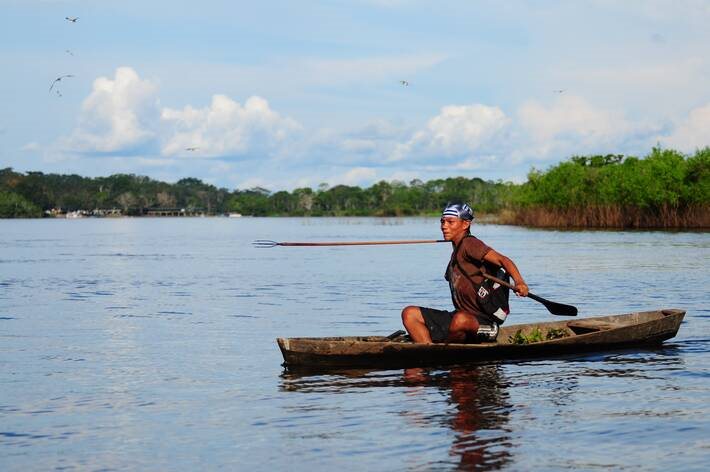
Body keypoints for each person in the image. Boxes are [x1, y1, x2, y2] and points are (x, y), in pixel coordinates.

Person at [401, 203, 529, 344]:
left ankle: (442, 351)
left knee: (460, 320)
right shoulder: (455, 254)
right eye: (443, 221)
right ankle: (428, 350)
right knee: (410, 314)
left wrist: (520, 282)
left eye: (450, 222)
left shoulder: (470, 244)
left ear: (465, 224)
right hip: (459, 316)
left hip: (483, 323)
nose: (444, 226)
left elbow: (503, 260)